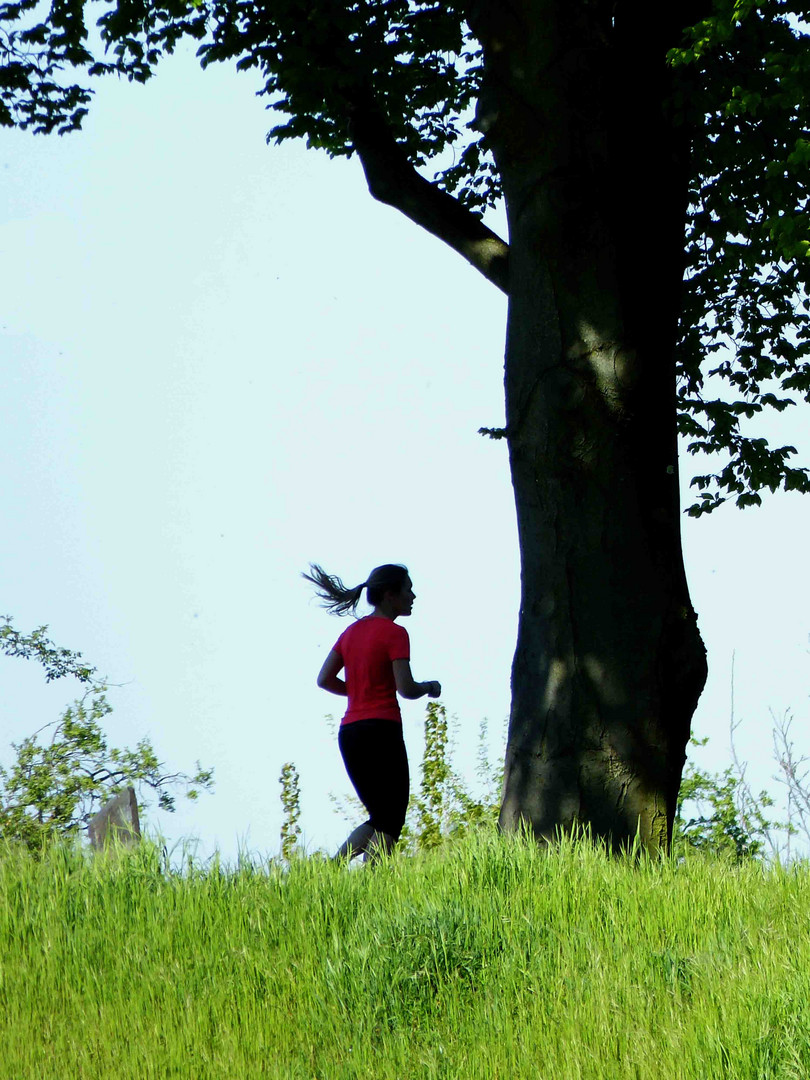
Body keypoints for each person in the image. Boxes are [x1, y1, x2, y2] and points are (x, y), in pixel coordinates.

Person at [303, 562, 441, 863]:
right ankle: (371, 881)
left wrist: (357, 690)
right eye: (408, 589)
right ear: (391, 594)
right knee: (391, 819)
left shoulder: (350, 633)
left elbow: (324, 679)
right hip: (382, 730)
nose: (413, 596)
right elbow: (405, 688)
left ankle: (332, 871)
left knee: (381, 816)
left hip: (351, 734)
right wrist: (430, 686)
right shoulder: (395, 633)